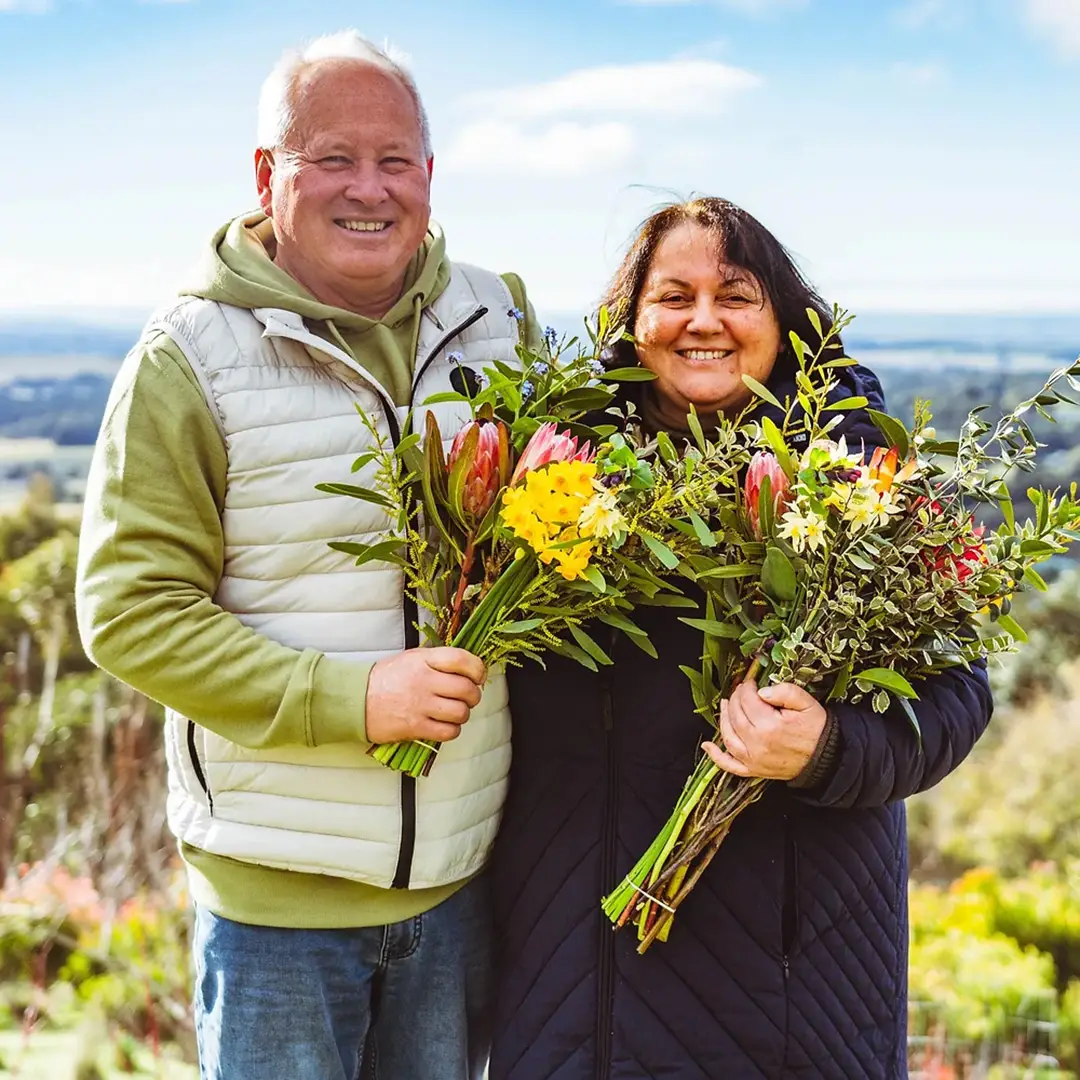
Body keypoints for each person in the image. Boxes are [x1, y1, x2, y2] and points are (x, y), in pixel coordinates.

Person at [75, 30, 538, 1080]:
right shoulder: (188, 355)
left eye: (394, 160)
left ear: (429, 172)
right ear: (267, 175)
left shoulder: (501, 320)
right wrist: (354, 699)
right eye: (331, 157)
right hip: (276, 911)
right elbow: (130, 613)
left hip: (465, 890)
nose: (367, 189)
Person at [489, 198, 993, 1080]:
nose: (703, 321)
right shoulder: (564, 473)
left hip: (783, 991)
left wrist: (828, 748)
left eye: (737, 295)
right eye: (672, 295)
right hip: (575, 979)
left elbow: (958, 697)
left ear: (786, 319)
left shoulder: (865, 474)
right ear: (632, 322)